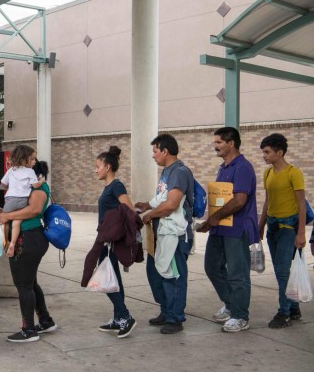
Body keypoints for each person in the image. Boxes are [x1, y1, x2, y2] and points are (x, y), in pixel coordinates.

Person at [197, 127, 258, 333]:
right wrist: (210, 220)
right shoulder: (224, 167)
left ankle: (241, 316)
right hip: (220, 228)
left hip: (237, 229)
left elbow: (239, 201)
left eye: (218, 143)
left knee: (237, 274)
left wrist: (214, 217)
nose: (215, 146)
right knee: (212, 267)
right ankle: (231, 304)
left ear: (231, 143)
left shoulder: (243, 167)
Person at [135, 133, 194, 335]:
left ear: (165, 151)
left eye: (155, 151)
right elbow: (162, 198)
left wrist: (148, 216)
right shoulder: (167, 172)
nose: (153, 155)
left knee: (172, 276)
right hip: (162, 233)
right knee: (156, 273)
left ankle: (175, 318)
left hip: (174, 235)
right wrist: (146, 205)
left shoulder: (179, 172)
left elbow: (171, 204)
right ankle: (166, 310)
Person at [0, 156, 58, 343]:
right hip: (29, 238)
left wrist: (7, 216)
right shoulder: (24, 190)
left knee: (24, 286)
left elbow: (34, 210)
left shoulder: (40, 188)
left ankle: (28, 329)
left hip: (29, 239)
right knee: (30, 283)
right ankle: (45, 321)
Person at [88, 146, 138, 338]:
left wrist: (115, 229)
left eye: (97, 166)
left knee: (104, 280)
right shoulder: (109, 187)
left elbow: (128, 208)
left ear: (108, 167)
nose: (96, 170)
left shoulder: (116, 186)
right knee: (113, 279)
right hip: (105, 239)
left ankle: (125, 316)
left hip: (109, 241)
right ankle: (118, 318)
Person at [258, 133, 306, 328]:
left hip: (289, 228)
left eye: (267, 152)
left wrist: (301, 232)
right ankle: (293, 307)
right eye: (263, 152)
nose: (264, 155)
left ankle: (283, 312)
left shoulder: (294, 173)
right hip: (273, 227)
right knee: (281, 271)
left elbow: (301, 204)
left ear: (280, 152)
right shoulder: (268, 173)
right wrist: (260, 225)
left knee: (282, 270)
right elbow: (268, 201)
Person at [0, 145, 45, 257]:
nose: (35, 161)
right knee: (17, 221)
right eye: (33, 159)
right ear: (25, 159)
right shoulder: (30, 172)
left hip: (10, 199)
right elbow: (35, 185)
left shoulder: (11, 170)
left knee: (5, 220)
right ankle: (13, 243)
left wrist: (10, 186)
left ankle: (5, 241)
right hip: (22, 200)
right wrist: (41, 181)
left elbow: (3, 184)